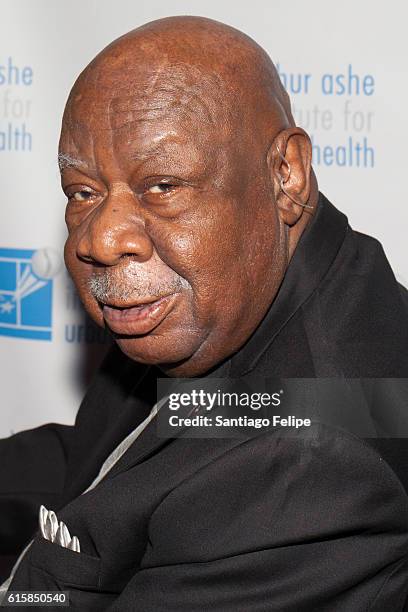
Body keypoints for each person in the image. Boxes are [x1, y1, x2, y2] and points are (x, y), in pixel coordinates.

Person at [1, 15, 408, 611]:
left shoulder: (310, 468)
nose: (103, 239)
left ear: (285, 173)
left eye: (163, 186)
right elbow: (110, 461)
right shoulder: (239, 295)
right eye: (83, 192)